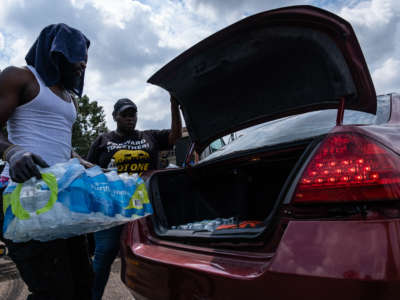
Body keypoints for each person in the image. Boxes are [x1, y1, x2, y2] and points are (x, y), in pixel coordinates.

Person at [0, 24, 94, 299]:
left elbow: (59, 146)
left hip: (62, 198)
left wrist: (85, 164)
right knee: (52, 290)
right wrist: (13, 152)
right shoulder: (19, 78)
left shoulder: (69, 99)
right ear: (55, 55)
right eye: (77, 57)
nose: (82, 65)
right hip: (24, 197)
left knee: (83, 283)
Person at [87, 97, 182, 299]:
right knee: (104, 254)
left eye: (133, 114)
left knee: (151, 257)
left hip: (144, 208)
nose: (130, 119)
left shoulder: (150, 136)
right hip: (112, 210)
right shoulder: (103, 140)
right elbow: (89, 170)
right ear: (115, 117)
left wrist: (174, 104)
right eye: (125, 115)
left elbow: (175, 137)